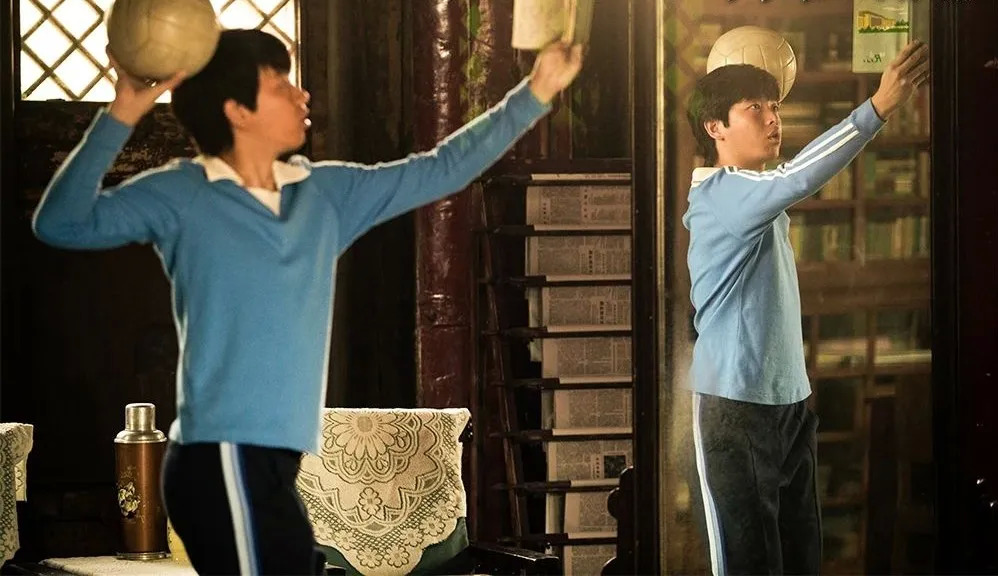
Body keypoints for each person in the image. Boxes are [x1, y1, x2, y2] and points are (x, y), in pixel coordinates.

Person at [33, 28, 583, 575]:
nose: (302, 95)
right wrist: (123, 111)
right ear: (237, 111)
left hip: (274, 467)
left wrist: (535, 91)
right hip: (222, 460)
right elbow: (60, 223)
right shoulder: (181, 194)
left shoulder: (325, 194)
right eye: (280, 84)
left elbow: (441, 168)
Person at [682, 40, 929, 575]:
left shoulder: (756, 193)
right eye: (755, 108)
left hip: (789, 402)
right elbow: (797, 176)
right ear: (714, 128)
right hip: (733, 407)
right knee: (749, 566)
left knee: (801, 562)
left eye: (775, 107)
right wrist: (878, 107)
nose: (773, 119)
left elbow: (787, 179)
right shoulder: (721, 193)